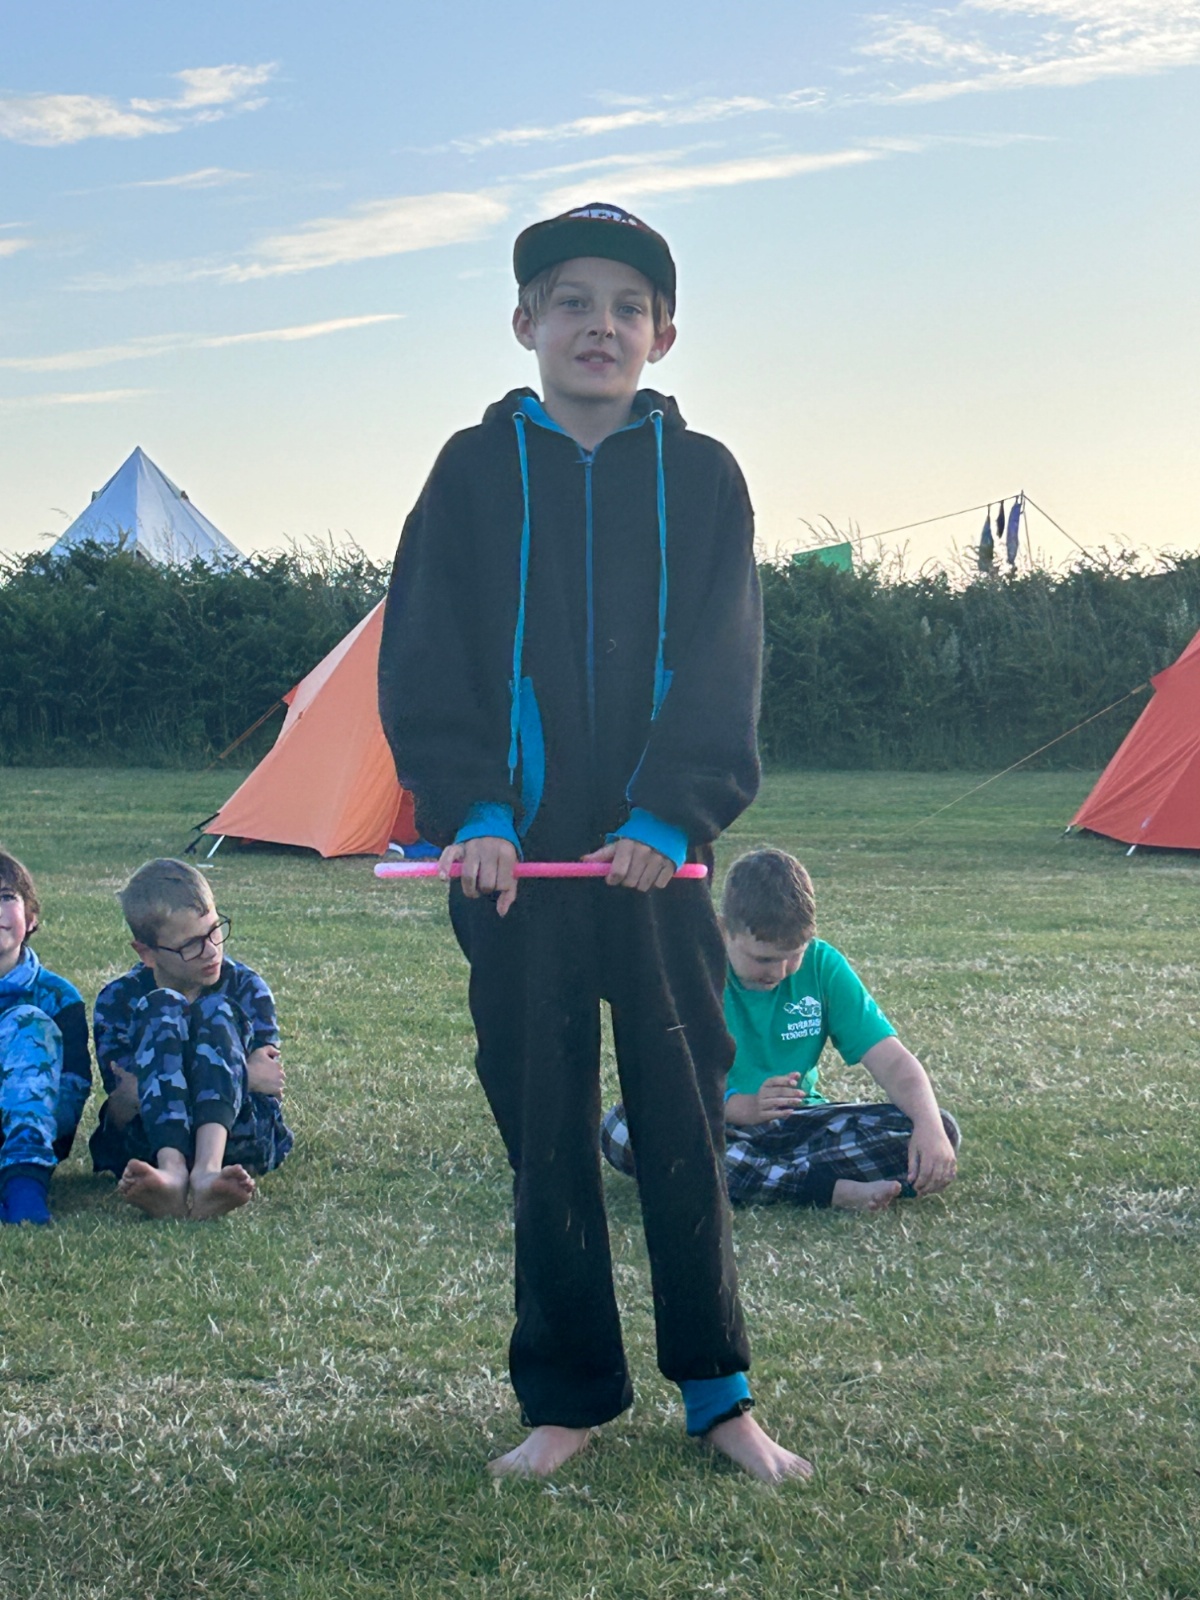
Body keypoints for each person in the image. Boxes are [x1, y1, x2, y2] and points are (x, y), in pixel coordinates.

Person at [379, 203, 809, 1483]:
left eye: (628, 307)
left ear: (663, 334)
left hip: (654, 862)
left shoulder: (704, 477)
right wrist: (475, 810)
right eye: (572, 301)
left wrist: (671, 810)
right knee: (547, 1126)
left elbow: (727, 656)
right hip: (515, 870)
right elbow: (427, 655)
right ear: (526, 322)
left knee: (683, 1116)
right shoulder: (469, 472)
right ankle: (564, 1396)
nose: (599, 327)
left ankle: (720, 1394)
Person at [603, 848, 960, 1212]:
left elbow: (893, 1061)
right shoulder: (689, 968)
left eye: (795, 955)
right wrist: (738, 1107)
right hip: (713, 1121)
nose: (779, 972)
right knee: (621, 1128)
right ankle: (819, 1188)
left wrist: (928, 1126)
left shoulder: (823, 966)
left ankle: (756, 1177)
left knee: (938, 1127)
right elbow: (663, 1078)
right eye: (764, 958)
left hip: (799, 1125)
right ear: (723, 929)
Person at [90, 858, 292, 1220]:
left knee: (217, 1010)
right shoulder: (117, 1000)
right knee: (162, 1006)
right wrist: (241, 1075)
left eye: (214, 931)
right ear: (147, 953)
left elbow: (269, 1085)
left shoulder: (246, 987)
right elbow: (128, 1096)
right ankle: (170, 1174)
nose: (212, 950)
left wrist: (161, 1082)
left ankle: (208, 1173)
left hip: (237, 1136)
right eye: (191, 944)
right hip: (149, 1140)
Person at [0, 849, 91, 1226]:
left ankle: (24, 1188)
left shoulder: (59, 997)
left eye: (6, 897)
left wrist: (20, 1107)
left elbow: (74, 1087)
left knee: (29, 1024)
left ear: (31, 916)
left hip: (31, 1127)